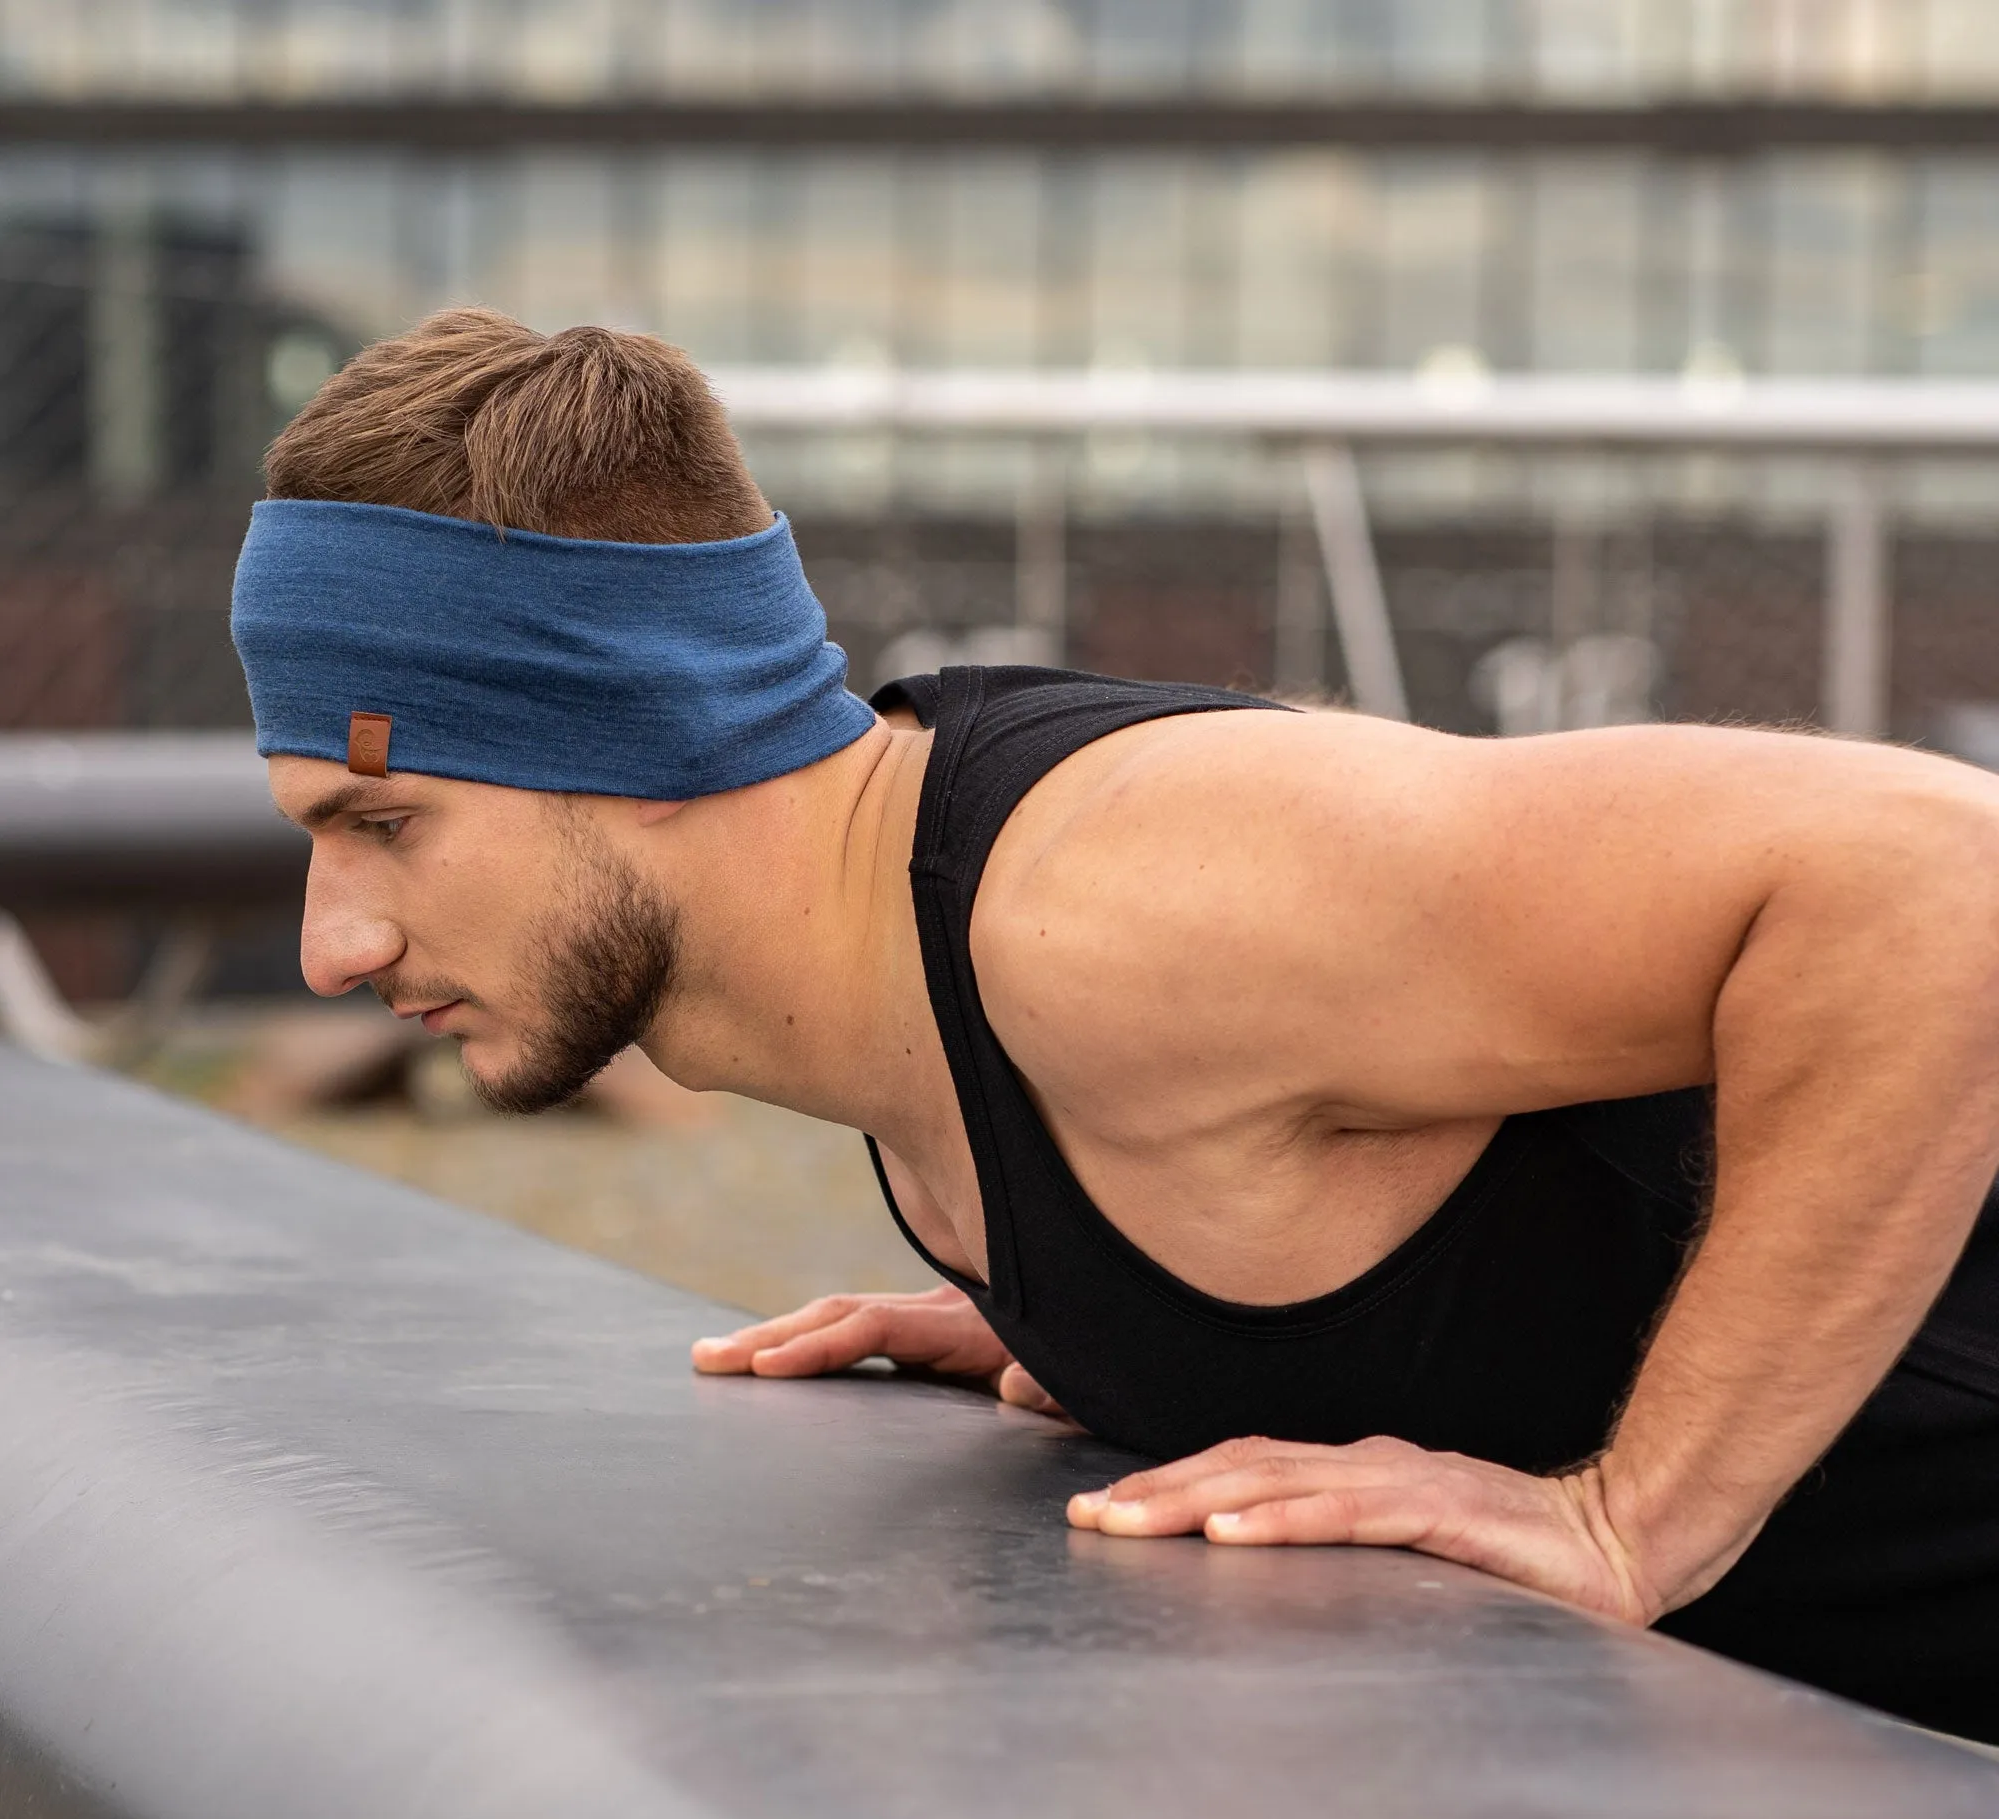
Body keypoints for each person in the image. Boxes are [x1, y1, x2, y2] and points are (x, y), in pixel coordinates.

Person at [235, 308, 1999, 1743]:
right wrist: (1122, 1301)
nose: (334, 947)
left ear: (634, 736)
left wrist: (1637, 1515)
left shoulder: (1111, 908)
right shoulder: (929, 993)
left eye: (382, 824)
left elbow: (1937, 883)